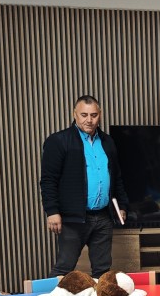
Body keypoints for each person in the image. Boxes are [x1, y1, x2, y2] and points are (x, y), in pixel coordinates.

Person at [40, 95, 128, 277]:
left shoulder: (108, 142)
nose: (89, 120)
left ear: (100, 115)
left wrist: (122, 206)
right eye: (84, 115)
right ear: (75, 114)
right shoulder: (58, 141)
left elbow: (117, 177)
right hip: (73, 219)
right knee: (64, 268)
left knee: (103, 271)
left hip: (103, 217)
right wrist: (52, 211)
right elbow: (48, 180)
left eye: (94, 115)